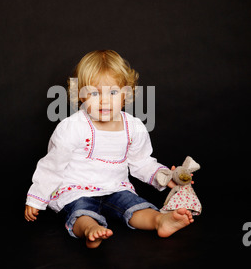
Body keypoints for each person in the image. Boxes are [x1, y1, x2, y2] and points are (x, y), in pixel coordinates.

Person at [24, 50, 194, 248]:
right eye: (94, 93)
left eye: (113, 92)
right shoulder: (72, 127)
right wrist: (36, 198)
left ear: (126, 94)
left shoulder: (133, 127)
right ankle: (89, 230)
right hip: (77, 188)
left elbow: (142, 162)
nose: (104, 100)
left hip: (115, 187)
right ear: (81, 95)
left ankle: (159, 221)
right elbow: (52, 165)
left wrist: (163, 176)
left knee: (132, 205)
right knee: (81, 211)